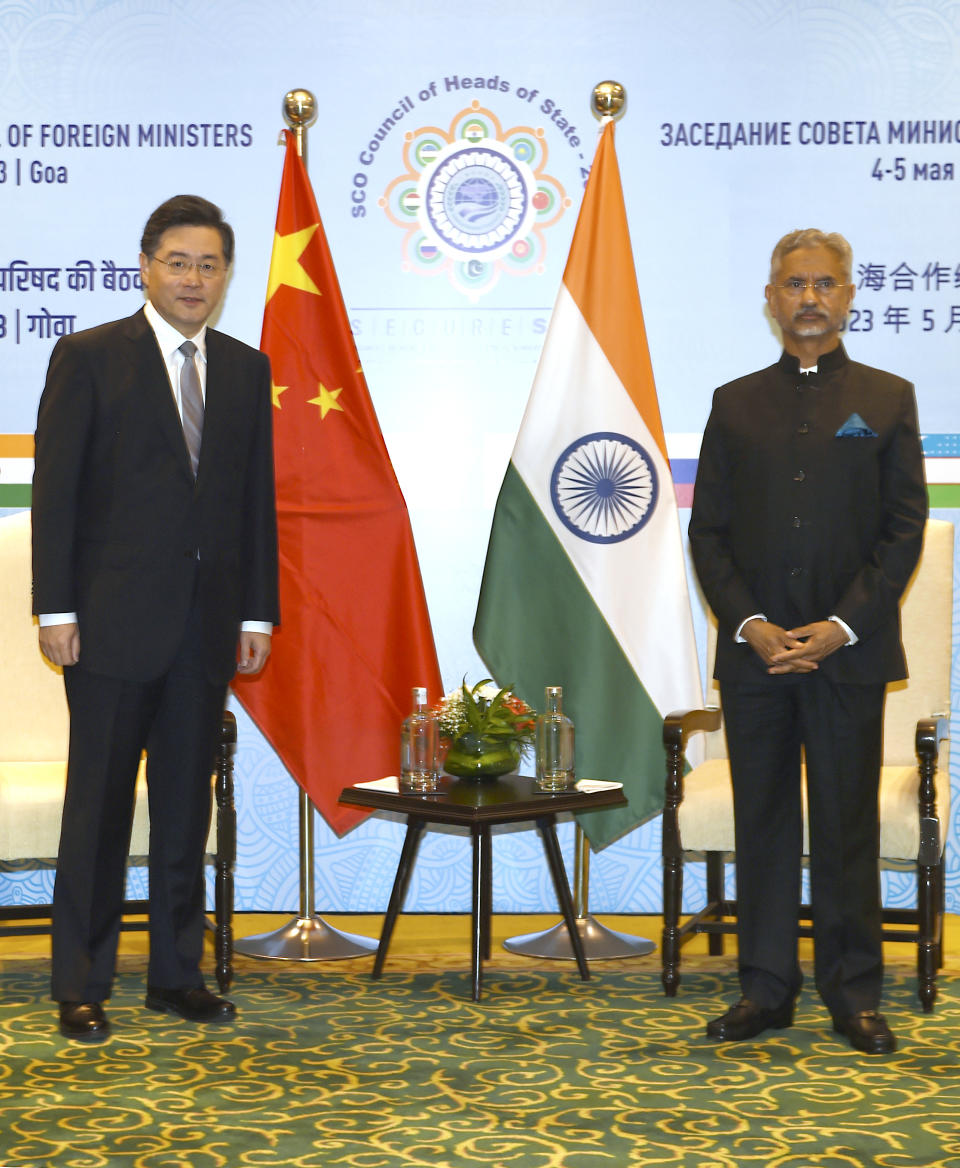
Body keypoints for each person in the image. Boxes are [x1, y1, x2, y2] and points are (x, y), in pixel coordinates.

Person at [32, 195, 279, 1042]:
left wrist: (259, 615)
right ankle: (81, 982)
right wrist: (54, 609)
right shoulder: (90, 357)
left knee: (184, 812)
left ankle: (178, 975)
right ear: (146, 266)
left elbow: (254, 509)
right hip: (105, 629)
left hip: (205, 631)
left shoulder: (246, 370)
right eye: (179, 262)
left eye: (209, 265)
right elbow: (56, 495)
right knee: (97, 810)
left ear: (225, 276)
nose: (194, 279)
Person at [688, 228, 927, 1055]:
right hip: (756, 659)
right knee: (761, 821)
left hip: (849, 655)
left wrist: (840, 627)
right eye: (794, 284)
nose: (810, 299)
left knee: (844, 822)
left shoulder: (889, 398)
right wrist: (753, 628)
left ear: (850, 297)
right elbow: (707, 534)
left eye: (826, 284)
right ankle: (765, 989)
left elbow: (903, 530)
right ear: (771, 298)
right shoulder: (734, 402)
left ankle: (853, 992)